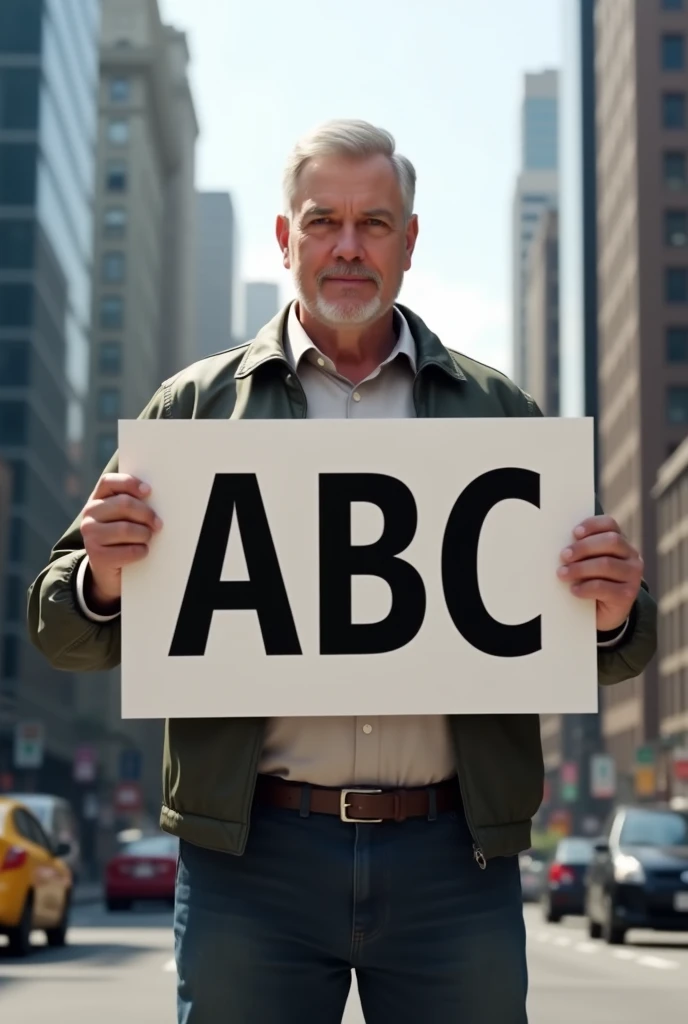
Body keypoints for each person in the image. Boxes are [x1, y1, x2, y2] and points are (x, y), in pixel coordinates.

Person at [28, 119, 656, 1024]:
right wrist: (104, 577)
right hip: (252, 859)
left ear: (409, 241)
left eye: (376, 223)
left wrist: (608, 607)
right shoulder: (195, 409)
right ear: (286, 239)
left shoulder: (500, 414)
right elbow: (60, 627)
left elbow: (614, 649)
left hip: (454, 860)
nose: (349, 248)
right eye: (324, 221)